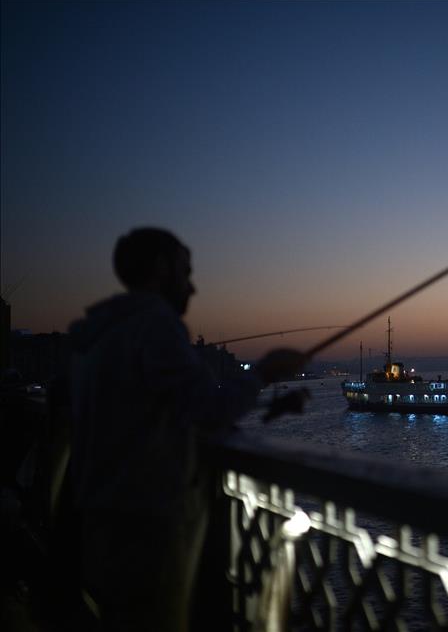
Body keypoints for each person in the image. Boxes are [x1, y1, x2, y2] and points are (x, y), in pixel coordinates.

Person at [68, 227, 306, 631]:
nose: (192, 287)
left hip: (98, 520)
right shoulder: (154, 324)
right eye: (185, 271)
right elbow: (207, 408)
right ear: (161, 267)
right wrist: (264, 372)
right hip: (146, 526)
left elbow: (154, 409)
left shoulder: (97, 334)